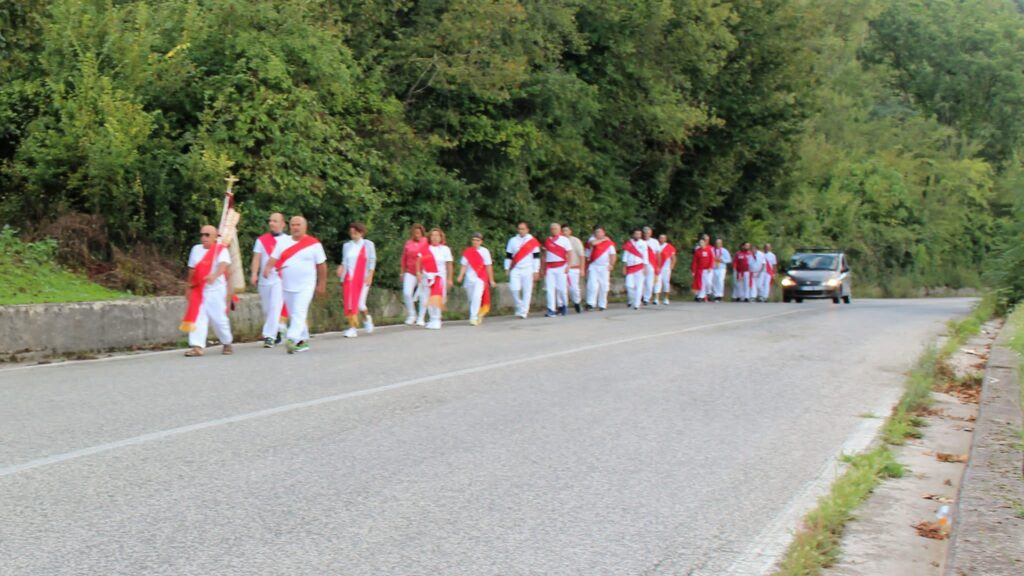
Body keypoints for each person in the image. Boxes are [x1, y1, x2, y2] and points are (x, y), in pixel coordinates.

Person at [264, 216, 327, 353]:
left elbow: (321, 265)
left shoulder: (314, 244)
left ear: (305, 227)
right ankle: (302, 341)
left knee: (299, 311)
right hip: (287, 285)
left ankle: (291, 338)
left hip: (306, 285)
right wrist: (268, 268)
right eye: (293, 225)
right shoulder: (282, 242)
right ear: (289, 227)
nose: (295, 227)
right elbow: (273, 258)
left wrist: (321, 284)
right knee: (294, 313)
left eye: (298, 225)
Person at [181, 225, 234, 357]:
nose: (203, 237)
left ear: (215, 237)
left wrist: (214, 276)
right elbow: (192, 269)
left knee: (219, 319)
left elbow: (223, 266)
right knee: (198, 317)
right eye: (202, 234)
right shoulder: (196, 249)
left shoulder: (221, 250)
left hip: (216, 290)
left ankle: (227, 342)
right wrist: (189, 287)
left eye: (207, 235)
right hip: (199, 290)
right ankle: (197, 346)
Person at [250, 212, 288, 347]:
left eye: (275, 221)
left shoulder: (288, 240)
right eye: (270, 221)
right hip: (264, 280)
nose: (271, 223)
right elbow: (257, 258)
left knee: (274, 307)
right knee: (267, 309)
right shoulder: (261, 240)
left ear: (283, 224)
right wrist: (254, 273)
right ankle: (278, 330)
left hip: (280, 279)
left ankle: (269, 337)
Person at [336, 222, 376, 338]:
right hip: (350, 278)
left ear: (361, 233)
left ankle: (366, 318)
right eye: (351, 233)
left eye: (356, 233)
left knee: (360, 303)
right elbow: (344, 261)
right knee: (350, 303)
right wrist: (341, 268)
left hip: (363, 278)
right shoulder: (347, 246)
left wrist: (370, 275)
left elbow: (372, 261)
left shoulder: (368, 245)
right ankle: (352, 328)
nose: (353, 235)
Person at [457, 233, 497, 326]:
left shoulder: (485, 251)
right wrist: (460, 276)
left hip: (480, 278)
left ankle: (473, 317)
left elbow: (488, 266)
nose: (475, 242)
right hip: (469, 279)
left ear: (481, 242)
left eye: (477, 240)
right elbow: (464, 265)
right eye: (474, 240)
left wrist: (491, 280)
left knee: (476, 296)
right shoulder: (468, 251)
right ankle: (478, 312)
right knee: (472, 298)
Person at [417, 227, 454, 330]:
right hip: (427, 276)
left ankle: (437, 319)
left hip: (439, 277)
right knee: (428, 298)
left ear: (441, 237)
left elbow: (449, 264)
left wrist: (450, 279)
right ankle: (432, 318)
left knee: (436, 297)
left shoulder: (445, 249)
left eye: (437, 235)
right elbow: (419, 261)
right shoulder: (425, 249)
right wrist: (418, 273)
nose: (435, 237)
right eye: (432, 235)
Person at [504, 221, 541, 319]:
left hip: (528, 268)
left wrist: (536, 270)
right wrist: (506, 268)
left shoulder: (532, 241)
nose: (521, 231)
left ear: (527, 230)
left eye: (523, 229)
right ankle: (519, 305)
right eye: (519, 229)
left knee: (527, 291)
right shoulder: (512, 240)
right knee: (514, 288)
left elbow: (536, 257)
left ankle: (524, 311)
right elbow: (508, 255)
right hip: (516, 268)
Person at [542, 223, 573, 317]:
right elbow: (544, 254)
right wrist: (542, 267)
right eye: (552, 229)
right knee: (550, 289)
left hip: (561, 266)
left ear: (559, 230)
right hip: (550, 268)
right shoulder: (547, 240)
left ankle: (564, 305)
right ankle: (551, 309)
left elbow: (570, 253)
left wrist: (569, 265)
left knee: (561, 289)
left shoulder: (564, 240)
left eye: (556, 229)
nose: (554, 230)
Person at [400, 224, 428, 326]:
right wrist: (402, 272)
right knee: (407, 292)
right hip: (410, 271)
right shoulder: (408, 243)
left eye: (419, 233)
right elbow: (404, 259)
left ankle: (421, 317)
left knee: (422, 295)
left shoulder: (426, 241)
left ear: (422, 233)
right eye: (415, 233)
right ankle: (412, 314)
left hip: (423, 272)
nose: (417, 235)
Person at [585, 226, 617, 311]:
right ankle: (590, 303)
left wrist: (611, 264)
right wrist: (604, 239)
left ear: (603, 233)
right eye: (596, 232)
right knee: (592, 285)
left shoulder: (609, 243)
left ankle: (602, 304)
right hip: (594, 265)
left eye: (600, 232)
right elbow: (593, 244)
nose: (598, 233)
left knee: (604, 285)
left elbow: (613, 255)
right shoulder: (592, 239)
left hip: (604, 266)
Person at [622, 228, 648, 310]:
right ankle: (632, 299)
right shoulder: (629, 243)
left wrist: (645, 267)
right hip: (630, 267)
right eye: (636, 234)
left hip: (639, 266)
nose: (637, 235)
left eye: (639, 234)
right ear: (633, 234)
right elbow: (625, 256)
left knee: (639, 286)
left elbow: (645, 255)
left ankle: (637, 303)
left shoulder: (643, 243)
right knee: (628, 285)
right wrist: (624, 267)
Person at [562, 225, 586, 314]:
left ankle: (577, 302)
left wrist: (582, 269)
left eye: (566, 230)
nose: (564, 233)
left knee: (573, 288)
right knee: (562, 288)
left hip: (574, 267)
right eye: (563, 231)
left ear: (570, 231)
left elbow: (582, 256)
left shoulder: (575, 241)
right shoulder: (559, 241)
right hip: (562, 268)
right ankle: (563, 306)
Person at [654, 234, 676, 305]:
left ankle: (666, 298)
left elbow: (673, 258)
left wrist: (672, 265)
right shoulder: (656, 246)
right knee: (657, 283)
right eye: (660, 238)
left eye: (663, 238)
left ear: (666, 239)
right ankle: (656, 298)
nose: (662, 239)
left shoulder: (669, 247)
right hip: (658, 267)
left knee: (666, 283)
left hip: (666, 268)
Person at [691, 236, 715, 302]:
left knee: (708, 282)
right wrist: (693, 270)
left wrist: (710, 267)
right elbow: (695, 261)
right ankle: (701, 296)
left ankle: (708, 292)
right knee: (702, 283)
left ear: (705, 243)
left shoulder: (709, 250)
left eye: (702, 242)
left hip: (708, 270)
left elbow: (712, 259)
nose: (701, 244)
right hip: (700, 270)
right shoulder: (697, 251)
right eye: (700, 243)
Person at [641, 226, 661, 305]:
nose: (646, 234)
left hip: (651, 264)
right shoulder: (640, 241)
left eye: (648, 233)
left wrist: (658, 266)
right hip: (641, 264)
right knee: (641, 282)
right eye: (645, 233)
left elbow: (658, 254)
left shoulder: (654, 242)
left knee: (649, 283)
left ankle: (646, 298)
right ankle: (640, 296)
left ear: (651, 233)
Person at [711, 238, 732, 302]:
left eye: (719, 243)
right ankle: (715, 295)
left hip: (721, 268)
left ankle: (719, 295)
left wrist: (722, 260)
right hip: (713, 268)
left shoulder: (724, 251)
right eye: (717, 243)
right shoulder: (712, 250)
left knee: (720, 281)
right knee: (714, 281)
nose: (718, 244)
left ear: (721, 244)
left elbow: (729, 260)